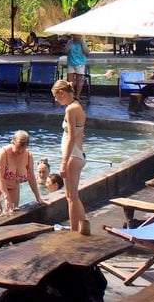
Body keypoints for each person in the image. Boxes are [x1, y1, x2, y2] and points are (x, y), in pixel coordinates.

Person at [53, 79, 86, 231]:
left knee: (71, 198)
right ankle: (83, 226)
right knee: (73, 196)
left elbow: (71, 137)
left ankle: (73, 231)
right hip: (78, 154)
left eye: (56, 96)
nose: (55, 100)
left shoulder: (71, 109)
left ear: (61, 93)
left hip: (73, 156)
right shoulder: (77, 106)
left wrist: (63, 163)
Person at [0, 130, 44, 215]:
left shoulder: (28, 156)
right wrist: (6, 196)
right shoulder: (3, 152)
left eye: (23, 149)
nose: (20, 152)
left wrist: (38, 197)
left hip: (13, 183)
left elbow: (31, 177)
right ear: (12, 142)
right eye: (17, 148)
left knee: (12, 211)